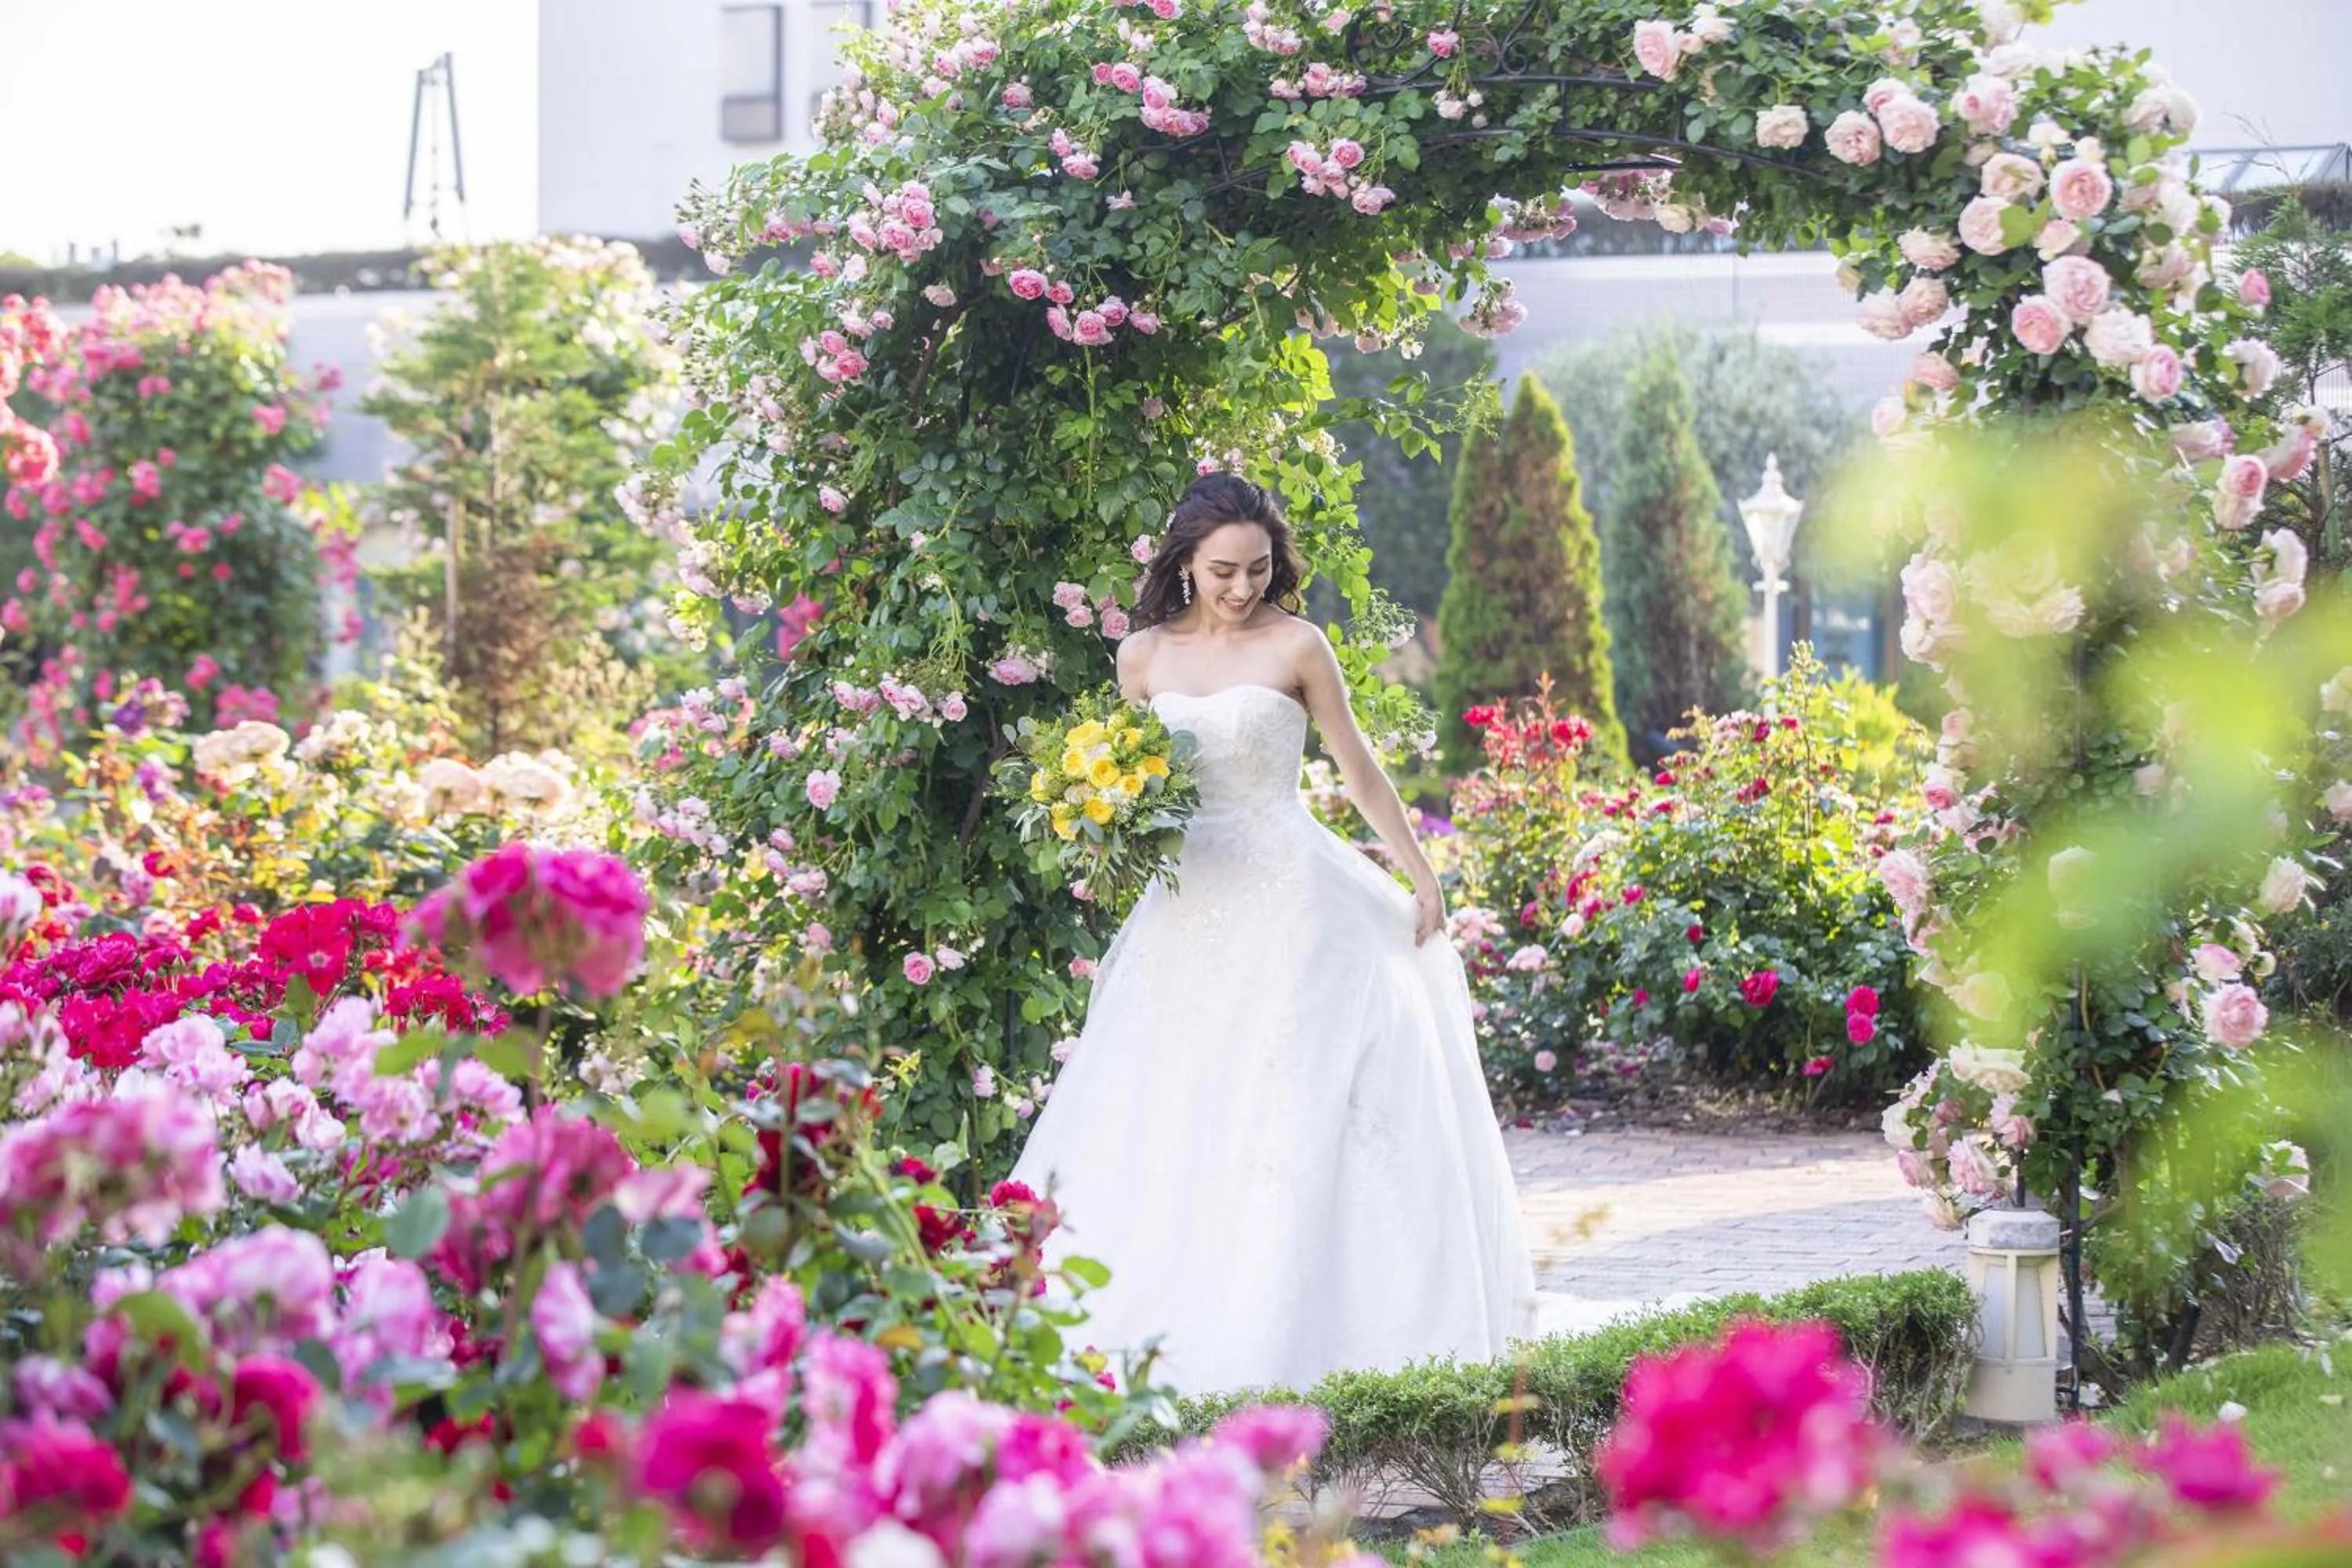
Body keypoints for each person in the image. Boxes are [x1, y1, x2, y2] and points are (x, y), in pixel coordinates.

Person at [1009, 472, 1537, 1395]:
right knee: (1170, 1105)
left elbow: (1359, 766)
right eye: (1222, 570)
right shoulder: (1139, 658)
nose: (1242, 588)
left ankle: (1315, 1332)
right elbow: (1137, 780)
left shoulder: (1300, 644)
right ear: (1183, 562)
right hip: (1186, 903)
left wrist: (1421, 868)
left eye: (1257, 569)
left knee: (1285, 1097)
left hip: (1293, 894)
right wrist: (1108, 827)